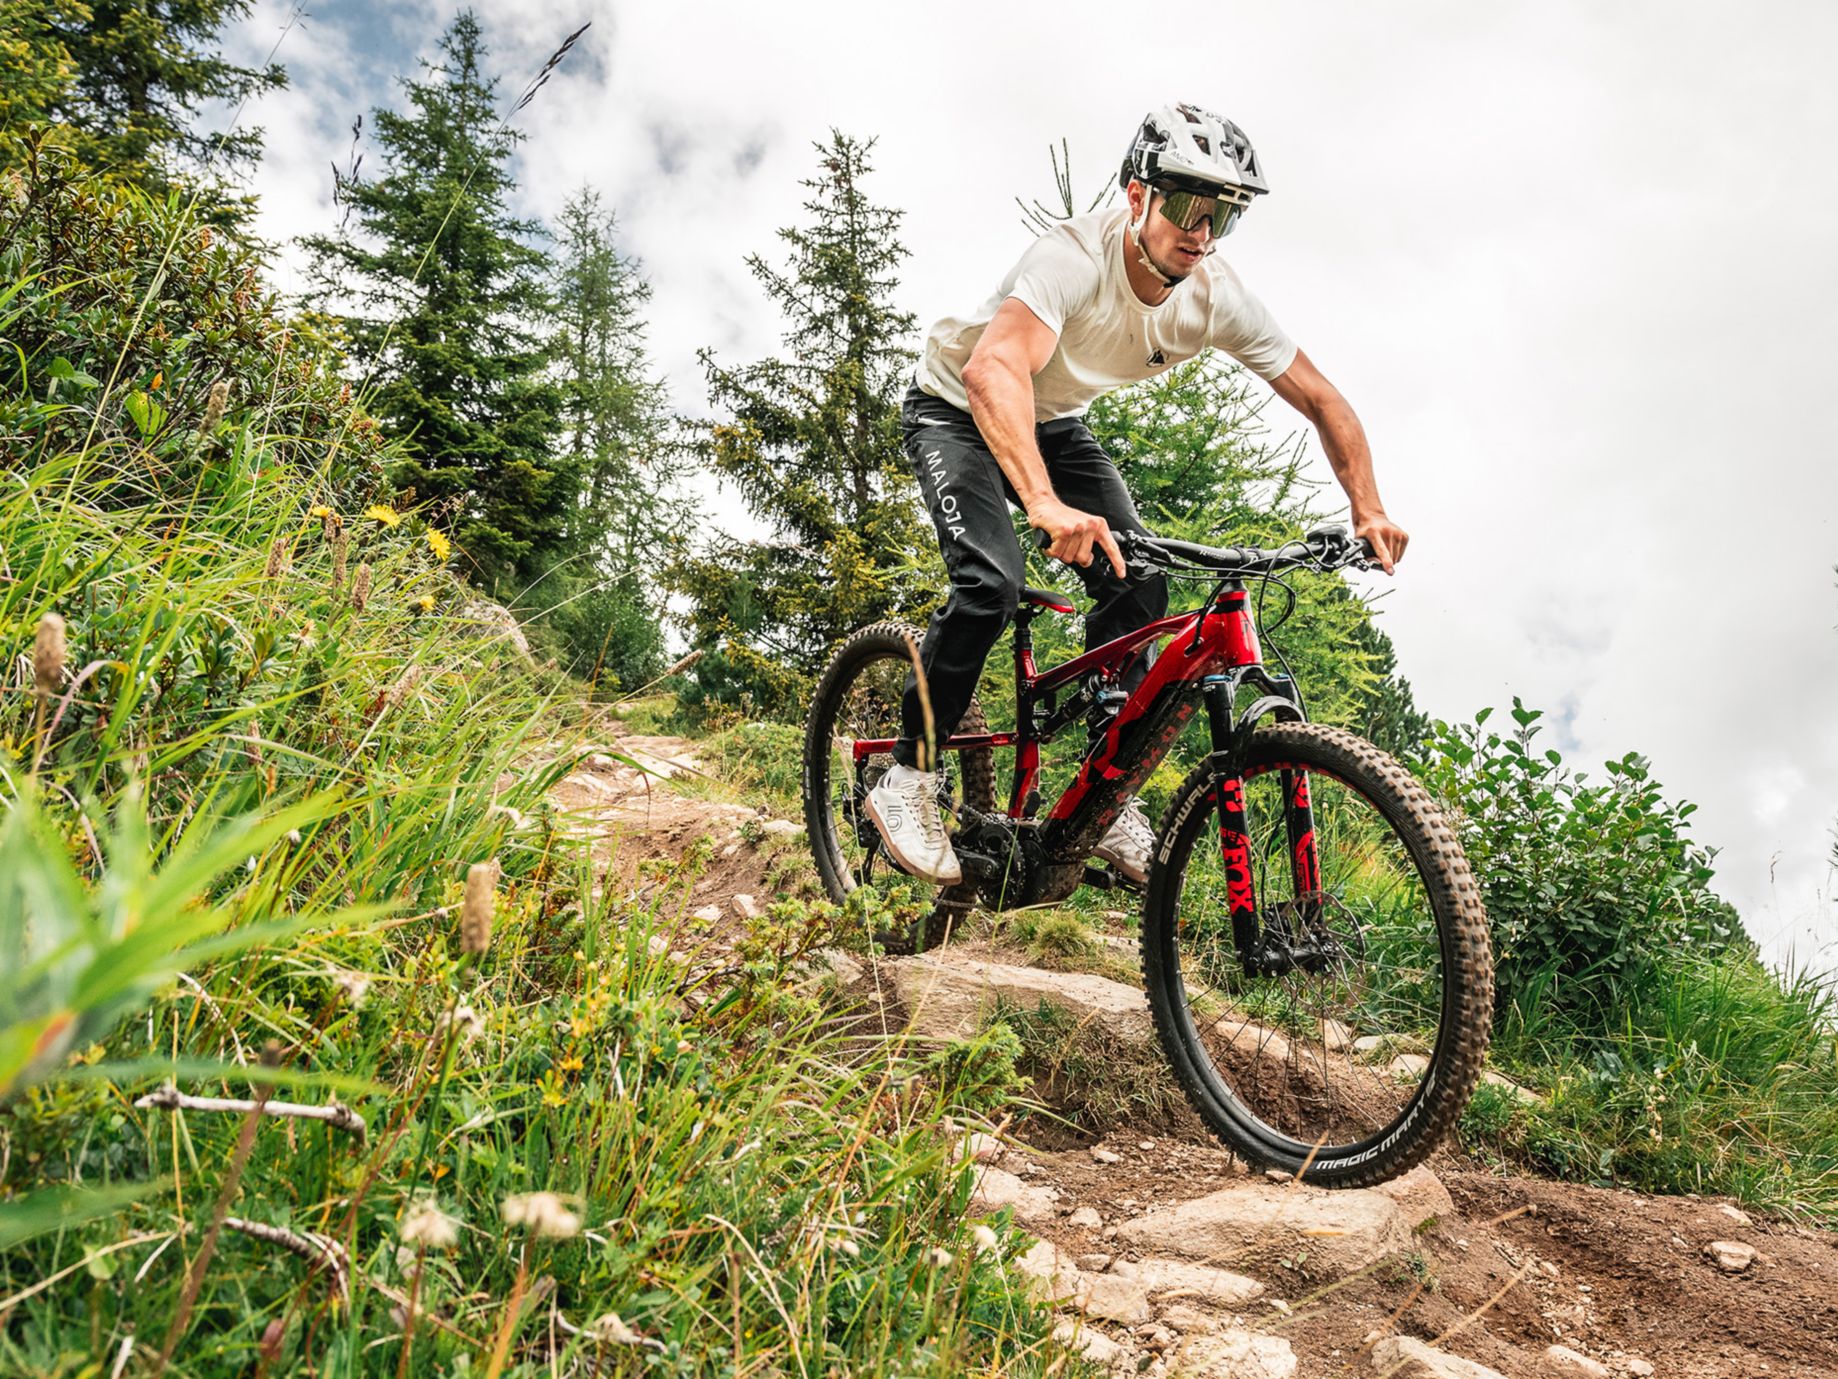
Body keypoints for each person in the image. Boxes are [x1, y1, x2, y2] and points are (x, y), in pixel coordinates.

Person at [866, 102, 1409, 887]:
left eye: (1224, 213)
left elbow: (1323, 399)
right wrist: (1045, 504)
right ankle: (905, 777)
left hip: (1051, 419)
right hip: (955, 404)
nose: (1202, 230)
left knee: (1139, 577)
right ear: (1135, 195)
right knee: (990, 584)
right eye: (1188, 205)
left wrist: (1369, 507)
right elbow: (993, 371)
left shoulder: (1215, 294)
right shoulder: (1072, 259)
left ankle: (1106, 793)